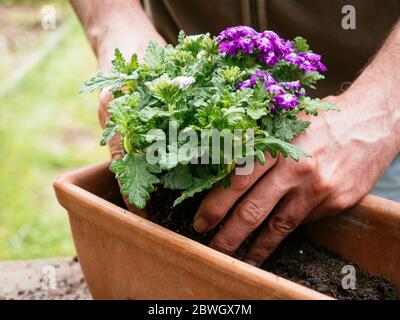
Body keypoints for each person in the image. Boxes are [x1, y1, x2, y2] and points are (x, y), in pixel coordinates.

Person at [70, 0, 400, 266]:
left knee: (365, 254)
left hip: (361, 127)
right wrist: (116, 20)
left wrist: (384, 107)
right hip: (187, 92)